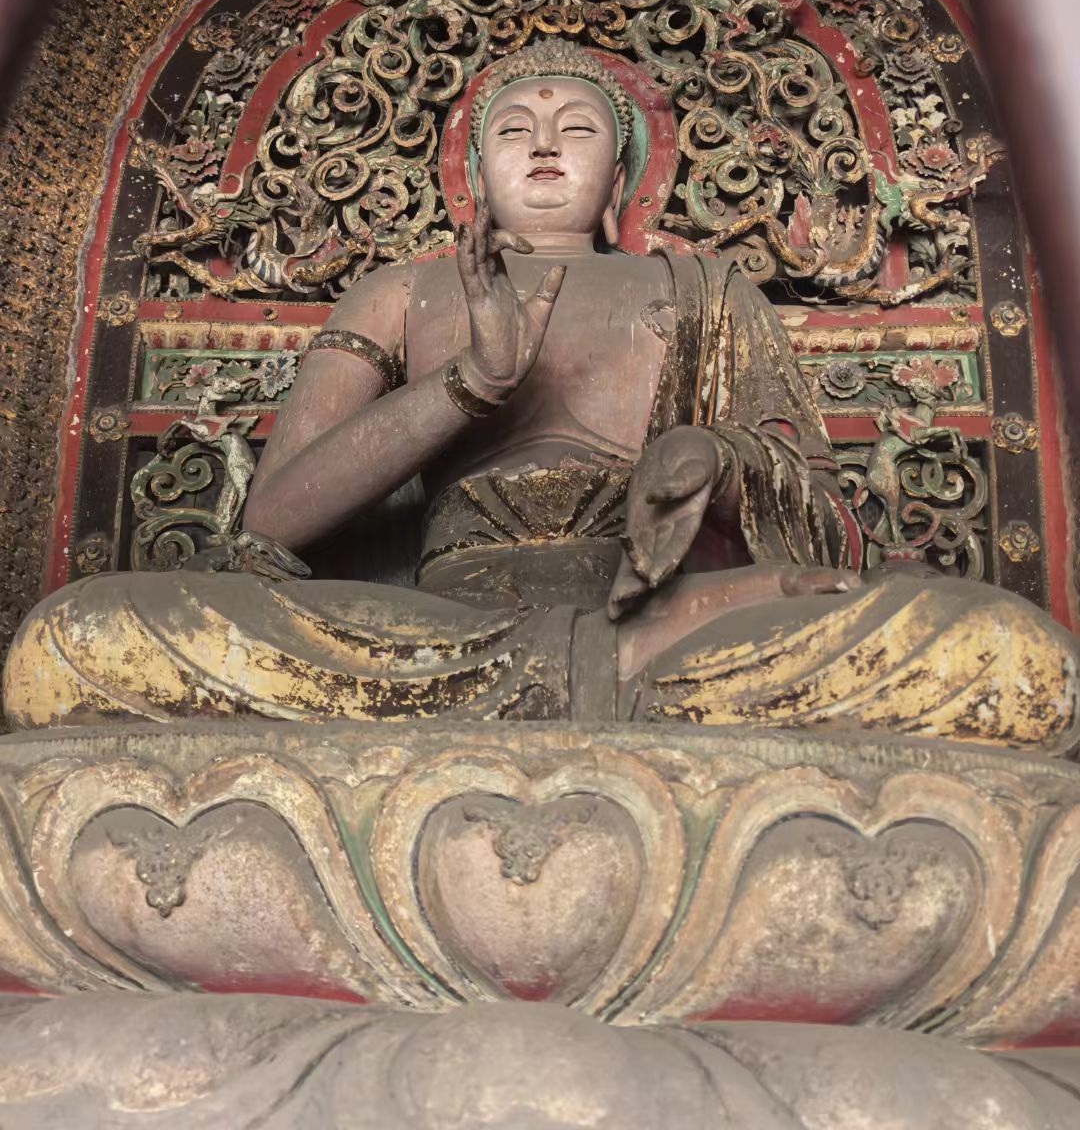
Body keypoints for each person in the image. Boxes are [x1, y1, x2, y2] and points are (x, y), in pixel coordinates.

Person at [6, 41, 1078, 750]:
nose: (548, 144)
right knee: (80, 641)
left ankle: (626, 655)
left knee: (998, 651)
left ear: (622, 182)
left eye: (578, 129)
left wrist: (710, 462)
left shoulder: (705, 288)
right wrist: (468, 387)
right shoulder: (404, 292)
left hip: (656, 612)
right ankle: (605, 681)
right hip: (423, 636)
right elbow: (274, 522)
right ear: (474, 173)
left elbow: (831, 525)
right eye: (516, 129)